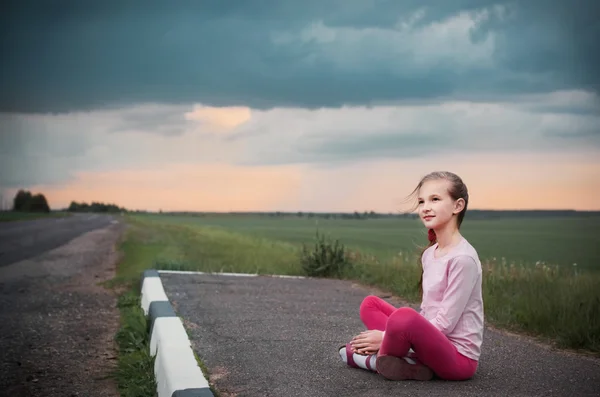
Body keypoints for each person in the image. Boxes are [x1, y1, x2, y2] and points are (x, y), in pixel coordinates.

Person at [338, 171, 484, 381]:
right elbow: (426, 313)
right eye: (422, 201)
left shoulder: (463, 259)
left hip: (457, 359)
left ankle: (369, 359)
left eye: (435, 199)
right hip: (427, 346)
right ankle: (409, 364)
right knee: (371, 304)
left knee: (404, 317)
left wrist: (386, 337)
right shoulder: (429, 254)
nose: (425, 207)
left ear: (457, 206)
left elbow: (445, 323)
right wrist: (403, 336)